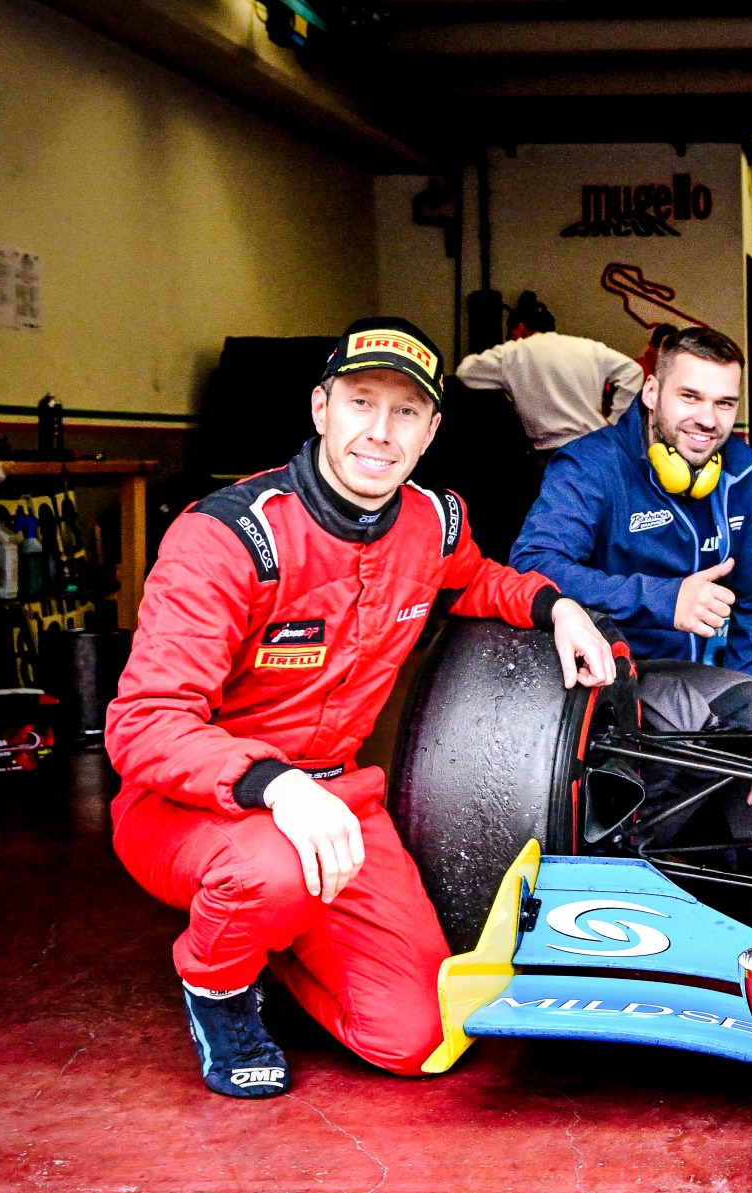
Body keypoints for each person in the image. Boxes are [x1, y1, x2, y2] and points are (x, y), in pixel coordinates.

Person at [105, 318, 617, 1100]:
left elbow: (478, 579)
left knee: (417, 1037)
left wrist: (556, 606)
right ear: (321, 409)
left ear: (431, 431)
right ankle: (220, 988)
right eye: (360, 403)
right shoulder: (227, 536)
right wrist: (277, 785)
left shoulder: (433, 521)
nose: (381, 431)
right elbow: (144, 724)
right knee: (270, 871)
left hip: (337, 798)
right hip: (192, 806)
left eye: (406, 412)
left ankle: (272, 937)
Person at [510, 326, 752, 866]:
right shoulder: (591, 466)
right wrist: (663, 598)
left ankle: (673, 825)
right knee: (734, 713)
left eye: (724, 403)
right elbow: (531, 565)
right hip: (601, 681)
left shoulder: (741, 470)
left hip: (694, 691)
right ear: (652, 392)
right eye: (690, 396)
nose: (708, 419)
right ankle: (616, 854)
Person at [453, 291, 644, 452]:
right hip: (597, 447)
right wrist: (616, 422)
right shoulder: (589, 348)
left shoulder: (514, 352)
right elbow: (633, 371)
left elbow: (465, 371)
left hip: (550, 452)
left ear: (520, 329)